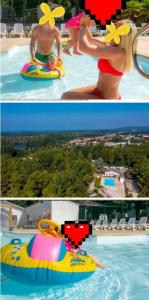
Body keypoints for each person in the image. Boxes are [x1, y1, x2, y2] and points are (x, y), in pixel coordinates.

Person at [62, 17, 137, 100]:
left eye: (116, 26)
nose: (111, 27)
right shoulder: (110, 47)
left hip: (107, 99)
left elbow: (83, 48)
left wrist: (82, 27)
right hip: (98, 90)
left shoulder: (118, 53)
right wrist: (85, 25)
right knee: (66, 96)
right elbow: (90, 40)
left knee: (66, 97)